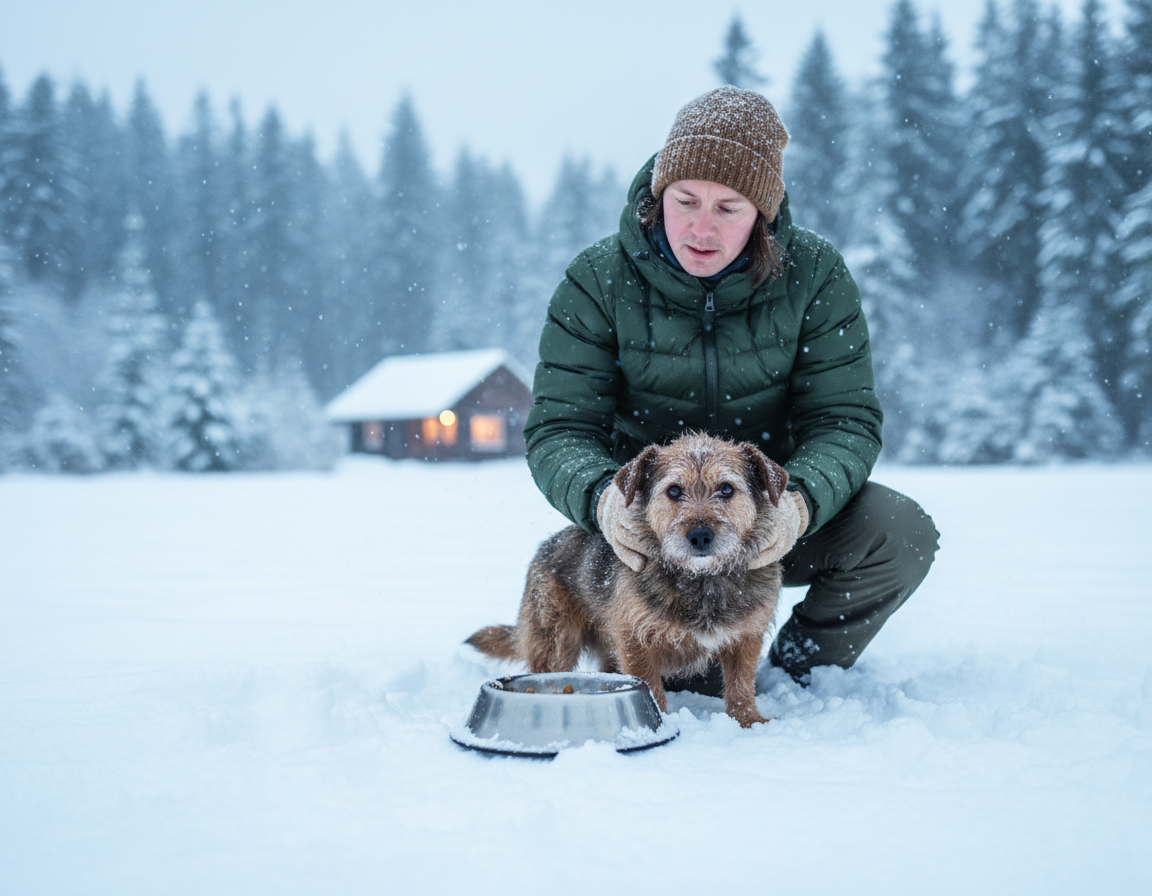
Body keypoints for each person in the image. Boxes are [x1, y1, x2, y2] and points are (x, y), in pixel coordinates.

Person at [522, 86, 939, 687]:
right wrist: (602, 499)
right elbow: (560, 428)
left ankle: (801, 670)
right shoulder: (596, 280)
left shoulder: (816, 276)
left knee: (901, 533)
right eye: (685, 199)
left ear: (762, 215)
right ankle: (662, 659)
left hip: (768, 514)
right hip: (650, 529)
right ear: (657, 195)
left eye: (729, 207)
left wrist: (799, 505)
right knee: (673, 669)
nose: (701, 227)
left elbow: (844, 420)